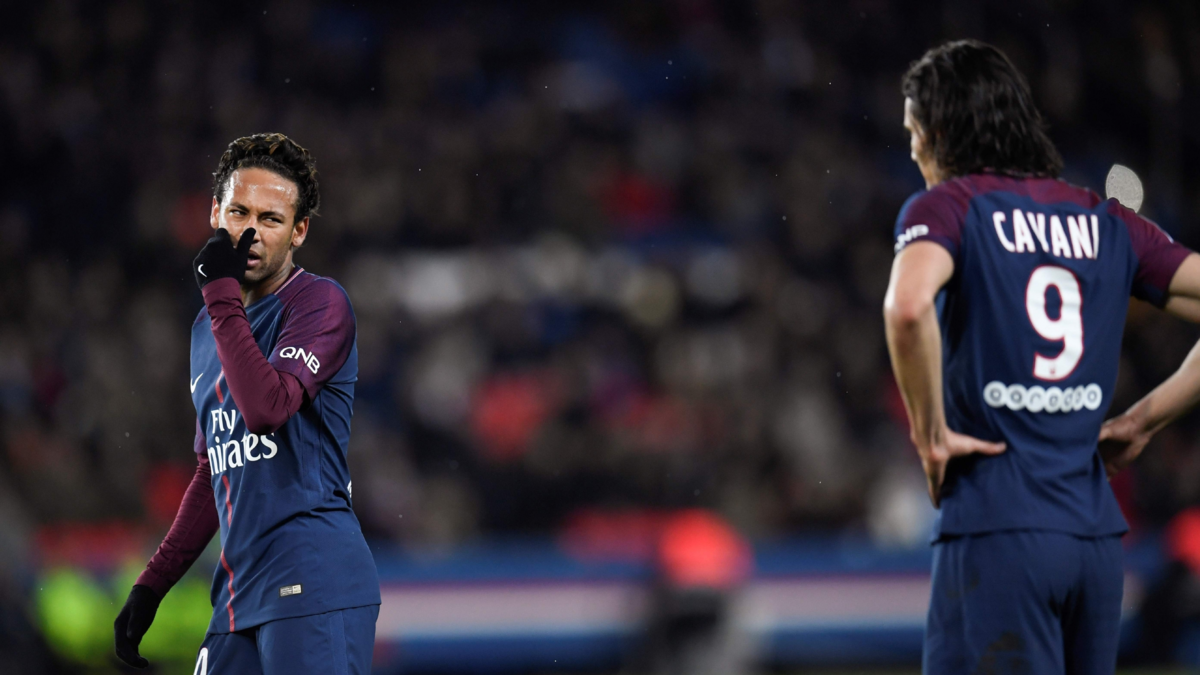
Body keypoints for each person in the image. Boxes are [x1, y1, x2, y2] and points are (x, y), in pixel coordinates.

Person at [884, 40, 1200, 674]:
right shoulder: (1108, 220)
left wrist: (930, 435)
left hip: (996, 531)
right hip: (1095, 544)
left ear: (940, 131)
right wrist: (1144, 421)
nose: (913, 151)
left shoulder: (948, 208)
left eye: (914, 133)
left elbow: (908, 307)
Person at [113, 133, 380, 673]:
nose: (251, 232)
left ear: (299, 231)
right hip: (237, 594)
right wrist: (153, 584)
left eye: (271, 218)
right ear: (215, 213)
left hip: (314, 579)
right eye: (239, 212)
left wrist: (220, 297)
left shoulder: (318, 303)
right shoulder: (207, 328)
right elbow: (215, 470)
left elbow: (266, 409)